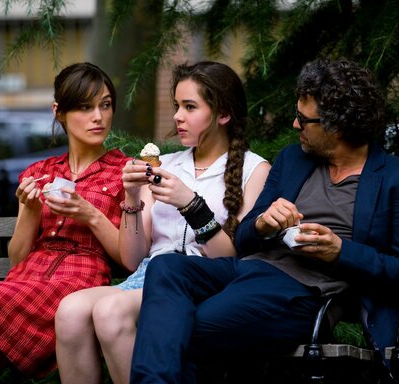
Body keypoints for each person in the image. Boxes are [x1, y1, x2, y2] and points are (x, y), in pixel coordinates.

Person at [129, 58, 399, 383]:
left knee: (192, 325)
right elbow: (244, 239)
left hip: (308, 291)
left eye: (304, 120)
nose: (294, 124)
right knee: (167, 268)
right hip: (250, 269)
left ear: (338, 126)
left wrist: (339, 252)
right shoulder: (293, 160)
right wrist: (263, 223)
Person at [55, 61, 271, 384]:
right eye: (176, 106)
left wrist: (190, 203)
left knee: (110, 311)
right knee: (70, 311)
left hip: (202, 282)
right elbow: (132, 258)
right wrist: (131, 194)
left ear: (223, 114)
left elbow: (231, 257)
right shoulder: (164, 165)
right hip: (147, 275)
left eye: (189, 107)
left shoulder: (255, 171)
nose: (177, 117)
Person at [0, 62, 130, 383]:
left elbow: (128, 258)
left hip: (76, 287)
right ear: (59, 112)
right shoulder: (39, 172)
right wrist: (30, 210)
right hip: (26, 282)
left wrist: (88, 213)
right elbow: (18, 258)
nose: (98, 117)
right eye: (85, 107)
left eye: (105, 105)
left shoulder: (124, 172)